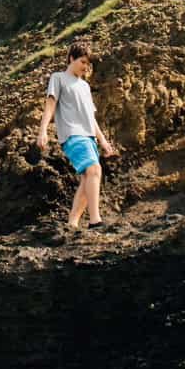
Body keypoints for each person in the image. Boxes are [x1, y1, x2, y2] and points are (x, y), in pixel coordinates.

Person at [37, 38, 117, 229]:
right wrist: (42, 131)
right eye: (82, 62)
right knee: (94, 170)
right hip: (72, 134)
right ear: (71, 58)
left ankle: (72, 223)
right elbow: (50, 106)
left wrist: (103, 141)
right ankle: (95, 219)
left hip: (88, 135)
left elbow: (90, 117)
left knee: (87, 176)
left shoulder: (85, 86)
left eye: (88, 64)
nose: (85, 67)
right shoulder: (58, 78)